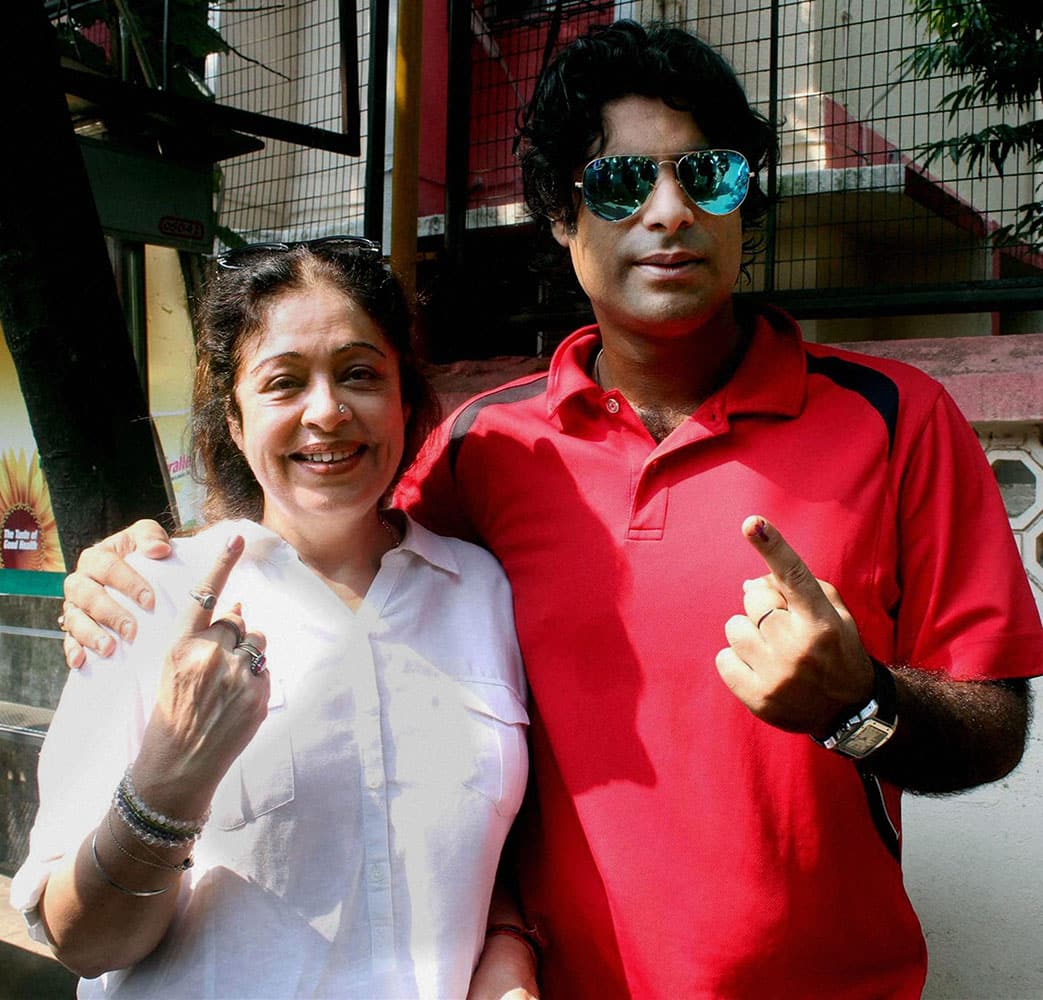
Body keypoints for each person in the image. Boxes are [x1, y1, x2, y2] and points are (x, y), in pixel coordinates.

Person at [56, 19, 1042, 999]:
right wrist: (146, 566)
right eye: (619, 183)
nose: (668, 212)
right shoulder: (485, 449)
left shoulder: (894, 419)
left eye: (708, 176)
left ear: (747, 202)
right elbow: (321, 528)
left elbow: (994, 725)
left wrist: (855, 705)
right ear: (560, 219)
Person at [12, 237, 536, 998]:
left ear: (405, 399)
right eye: (283, 383)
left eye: (359, 374)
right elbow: (80, 939)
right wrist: (170, 778)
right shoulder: (149, 600)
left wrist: (508, 946)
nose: (327, 411)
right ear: (232, 418)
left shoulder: (481, 592)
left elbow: (496, 849)